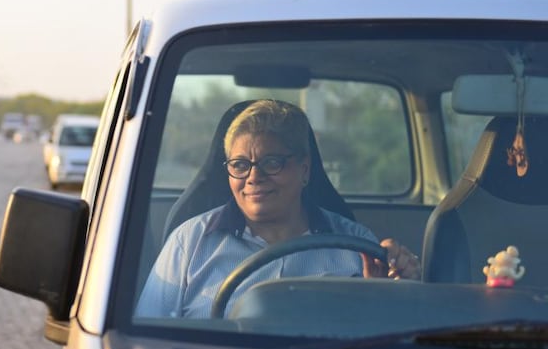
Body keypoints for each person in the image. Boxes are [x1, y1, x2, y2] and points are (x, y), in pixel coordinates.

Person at [136, 99, 421, 318]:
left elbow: (388, 341)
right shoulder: (189, 243)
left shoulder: (357, 247)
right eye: (240, 165)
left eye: (272, 162)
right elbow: (146, 341)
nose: (253, 177)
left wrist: (397, 289)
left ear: (305, 169)